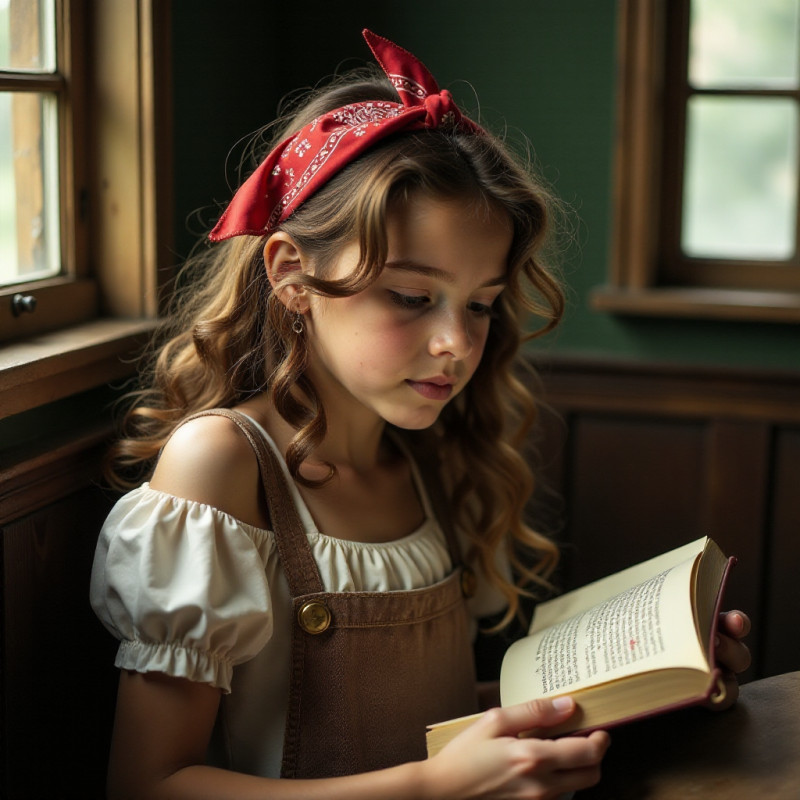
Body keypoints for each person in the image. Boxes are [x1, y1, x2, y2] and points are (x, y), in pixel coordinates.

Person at [90, 29, 751, 800]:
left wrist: (642, 697)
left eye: (480, 304)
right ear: (293, 277)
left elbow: (416, 726)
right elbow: (148, 783)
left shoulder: (428, 457)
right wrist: (431, 789)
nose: (456, 343)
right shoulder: (224, 462)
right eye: (411, 297)